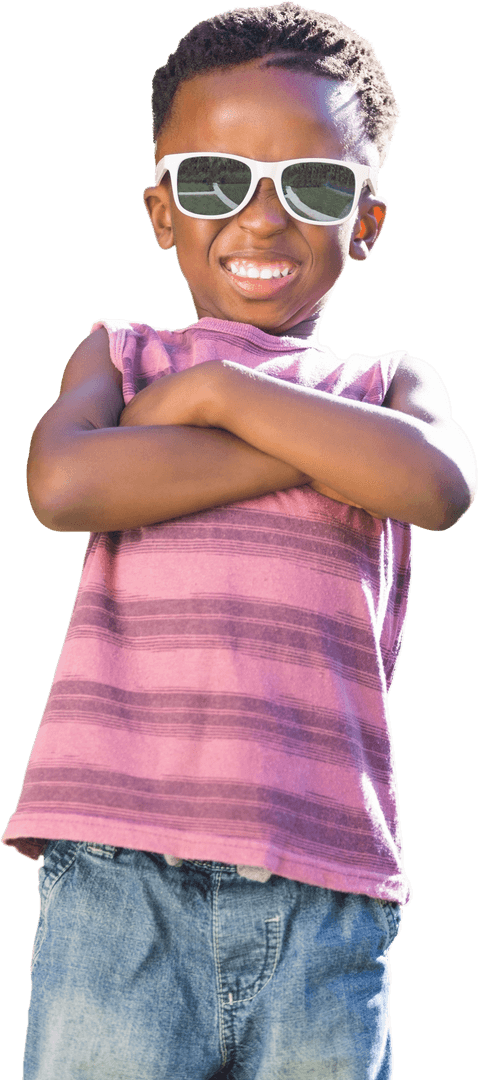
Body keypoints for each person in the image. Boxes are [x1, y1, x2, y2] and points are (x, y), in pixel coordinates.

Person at [2, 3, 476, 1078]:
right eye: (217, 181)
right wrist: (320, 454)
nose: (262, 222)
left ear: (366, 222)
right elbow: (67, 482)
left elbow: (438, 484)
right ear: (161, 209)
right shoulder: (120, 358)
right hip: (120, 883)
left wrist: (220, 394)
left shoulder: (390, 387)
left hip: (326, 891)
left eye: (313, 186)